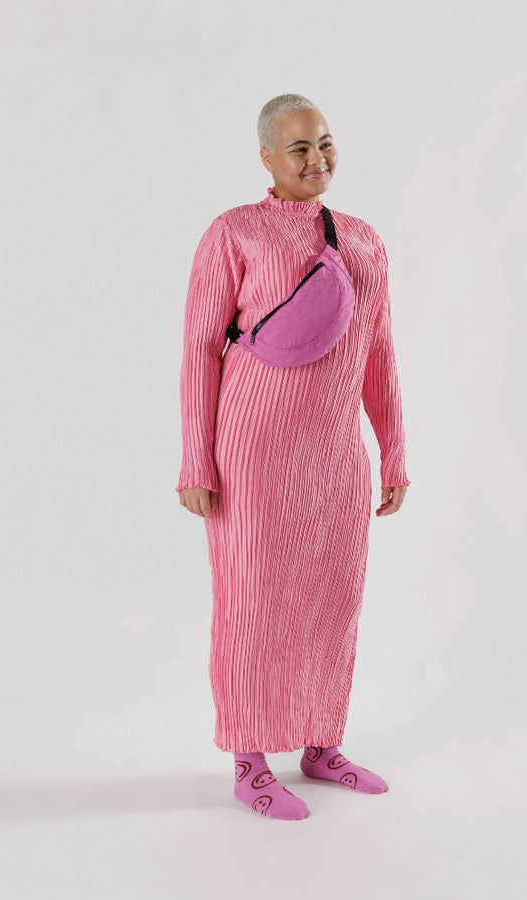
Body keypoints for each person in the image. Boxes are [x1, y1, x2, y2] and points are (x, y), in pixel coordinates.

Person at [176, 94, 410, 820]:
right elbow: (199, 348)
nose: (317, 159)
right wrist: (195, 461)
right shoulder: (234, 232)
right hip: (252, 446)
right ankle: (250, 760)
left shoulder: (363, 240)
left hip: (336, 452)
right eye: (299, 147)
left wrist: (394, 452)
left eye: (325, 143)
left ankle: (320, 743)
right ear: (267, 158)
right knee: (253, 601)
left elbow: (378, 352)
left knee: (332, 598)